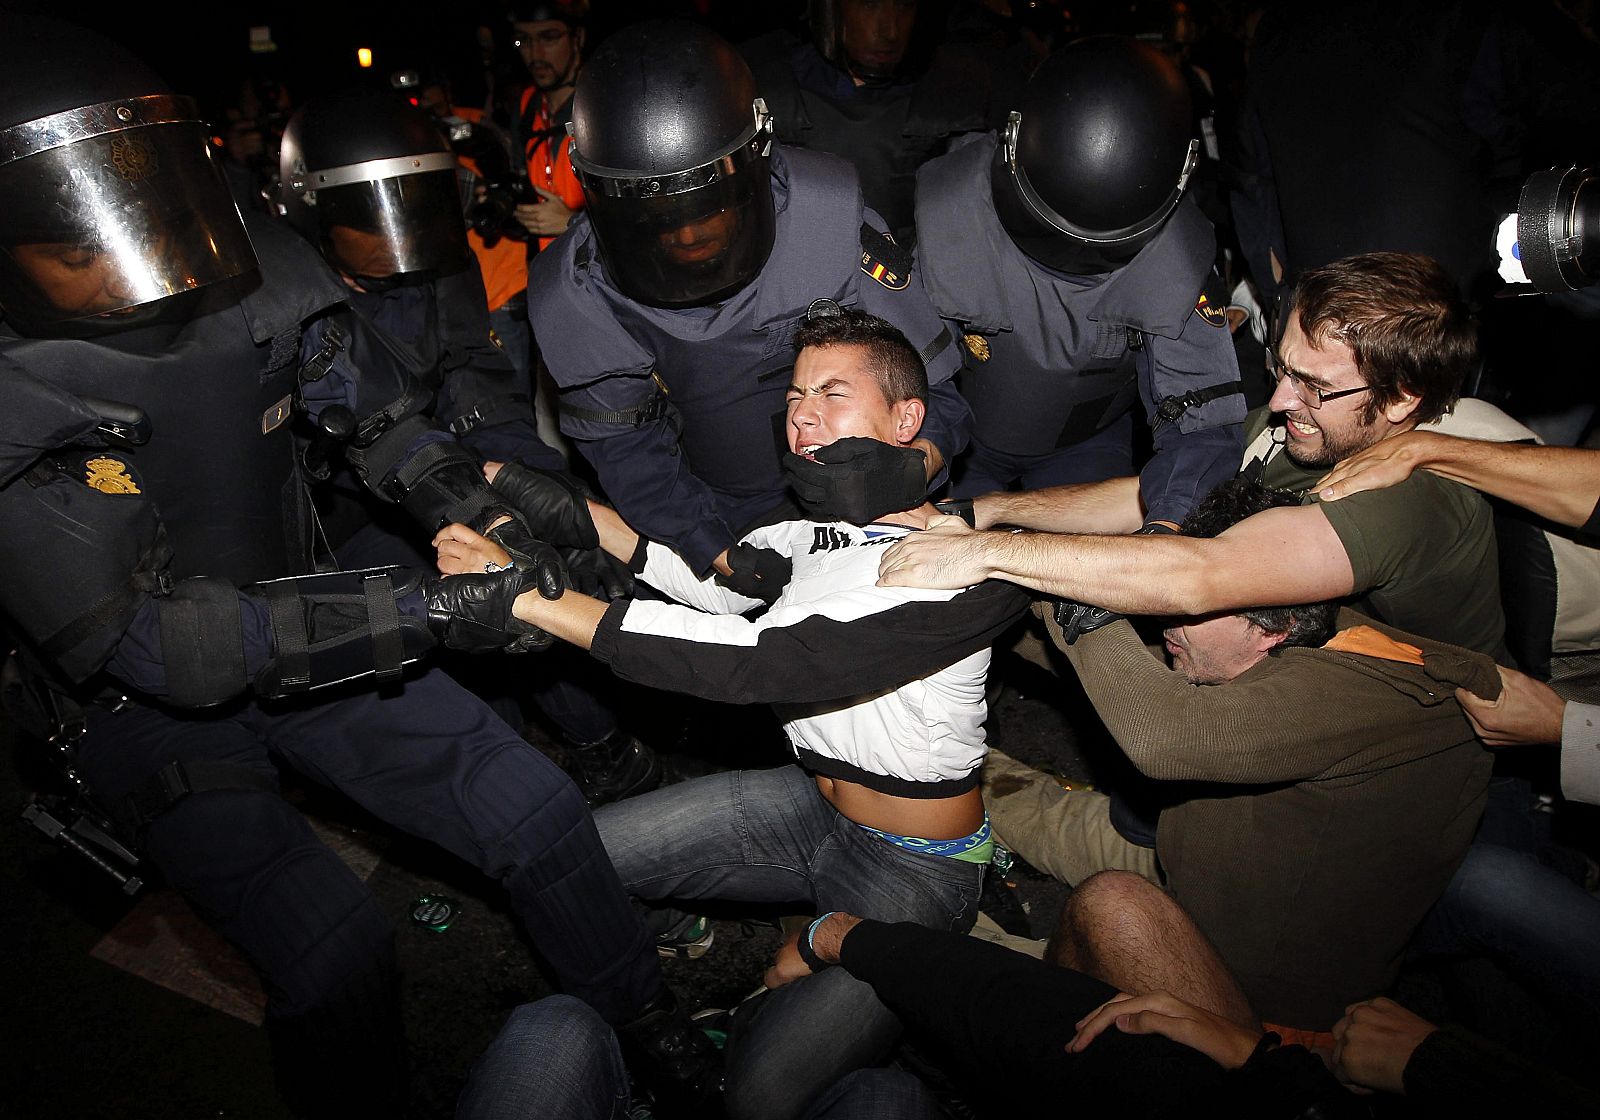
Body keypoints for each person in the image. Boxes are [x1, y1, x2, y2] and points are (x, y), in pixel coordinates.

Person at [0, 18, 707, 1113]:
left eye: (142, 207)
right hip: (142, 694)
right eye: (75, 241)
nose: (126, 255)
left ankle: (645, 1015)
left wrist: (491, 507)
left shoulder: (246, 267)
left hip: (303, 596)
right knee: (332, 953)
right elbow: (162, 645)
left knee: (535, 810)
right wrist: (430, 609)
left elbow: (385, 427)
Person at [439, 307, 1029, 1120]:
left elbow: (755, 661)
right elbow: (717, 589)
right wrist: (577, 516)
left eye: (831, 392)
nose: (802, 413)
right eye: (793, 395)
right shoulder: (803, 532)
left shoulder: (962, 567)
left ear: (906, 419)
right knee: (577, 858)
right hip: (808, 807)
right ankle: (670, 970)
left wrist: (535, 601)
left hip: (915, 872)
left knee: (759, 1096)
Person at [976, 478, 1497, 1034]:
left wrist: (1071, 593)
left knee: (962, 957)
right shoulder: (1282, 619)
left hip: (1247, 987)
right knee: (973, 779)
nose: (1167, 617)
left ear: (1276, 633)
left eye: (1189, 602)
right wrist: (1004, 586)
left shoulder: (1357, 698)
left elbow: (1166, 737)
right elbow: (1126, 665)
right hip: (1189, 865)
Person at [279, 85, 659, 806]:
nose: (402, 234)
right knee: (462, 627)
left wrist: (545, 495)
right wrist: (485, 513)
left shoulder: (438, 262)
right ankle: (504, 769)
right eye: (374, 214)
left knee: (540, 571)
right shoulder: (289, 299)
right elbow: (374, 425)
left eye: (418, 203)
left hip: (439, 466)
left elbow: (474, 381)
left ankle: (604, 750)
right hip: (343, 512)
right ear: (312, 213)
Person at [877, 251, 1505, 659]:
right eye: (1281, 369)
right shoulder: (1314, 429)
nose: (1282, 399)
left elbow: (1204, 573)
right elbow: (1144, 493)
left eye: (1315, 385)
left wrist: (982, 553)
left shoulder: (1410, 499)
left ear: (1401, 400)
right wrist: (982, 510)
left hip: (1405, 738)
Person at [528, 19, 972, 592]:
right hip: (719, 504)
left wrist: (919, 464)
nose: (689, 240)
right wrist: (710, 549)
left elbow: (934, 389)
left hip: (877, 480)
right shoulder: (581, 294)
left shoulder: (828, 224)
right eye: (659, 223)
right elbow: (629, 449)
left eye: (710, 210)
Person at [913, 34, 1244, 519]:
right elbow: (907, 372)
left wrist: (1172, 524)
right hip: (961, 442)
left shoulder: (1174, 257)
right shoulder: (952, 216)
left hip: (1085, 446)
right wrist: (913, 459)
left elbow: (1204, 420)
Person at [739, 0, 1014, 245]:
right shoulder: (758, 85)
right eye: (869, 5)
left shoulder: (961, 91)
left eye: (904, 6)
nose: (890, 30)